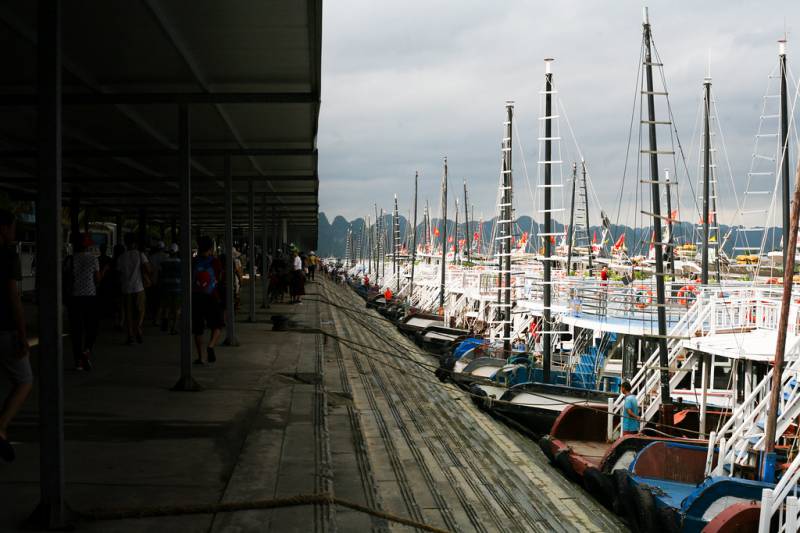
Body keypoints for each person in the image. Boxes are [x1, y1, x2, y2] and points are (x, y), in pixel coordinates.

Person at [0, 209, 32, 462]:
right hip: (5, 329)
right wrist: (23, 333)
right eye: (12, 227)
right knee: (24, 380)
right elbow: (14, 298)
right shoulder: (8, 255)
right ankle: (0, 427)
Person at [65, 233, 102, 370]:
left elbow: (68, 278)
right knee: (91, 327)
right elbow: (97, 280)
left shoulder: (70, 260)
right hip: (90, 297)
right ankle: (87, 350)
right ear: (88, 246)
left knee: (76, 330)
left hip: (74, 298)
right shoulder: (93, 259)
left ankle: (78, 361)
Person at [192, 236, 224, 365]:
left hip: (196, 297)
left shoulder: (193, 261)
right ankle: (211, 346)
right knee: (217, 325)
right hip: (212, 296)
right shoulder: (215, 262)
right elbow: (220, 277)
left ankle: (201, 358)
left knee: (198, 328)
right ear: (211, 248)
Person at [117, 233, 151, 344]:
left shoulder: (121, 257)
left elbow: (119, 273)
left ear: (125, 243)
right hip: (139, 287)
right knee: (141, 310)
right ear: (135, 243)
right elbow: (148, 269)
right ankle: (138, 327)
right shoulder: (140, 255)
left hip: (126, 288)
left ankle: (130, 335)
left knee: (128, 313)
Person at [158, 243, 182, 334]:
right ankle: (174, 327)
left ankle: (165, 320)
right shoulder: (180, 262)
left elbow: (160, 274)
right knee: (177, 308)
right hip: (177, 288)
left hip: (166, 287)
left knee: (166, 306)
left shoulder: (164, 262)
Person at [148, 241, 168, 324]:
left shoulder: (152, 257)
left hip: (153, 280)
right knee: (161, 300)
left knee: (154, 300)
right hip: (163, 281)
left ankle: (154, 317)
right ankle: (160, 318)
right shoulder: (166, 256)